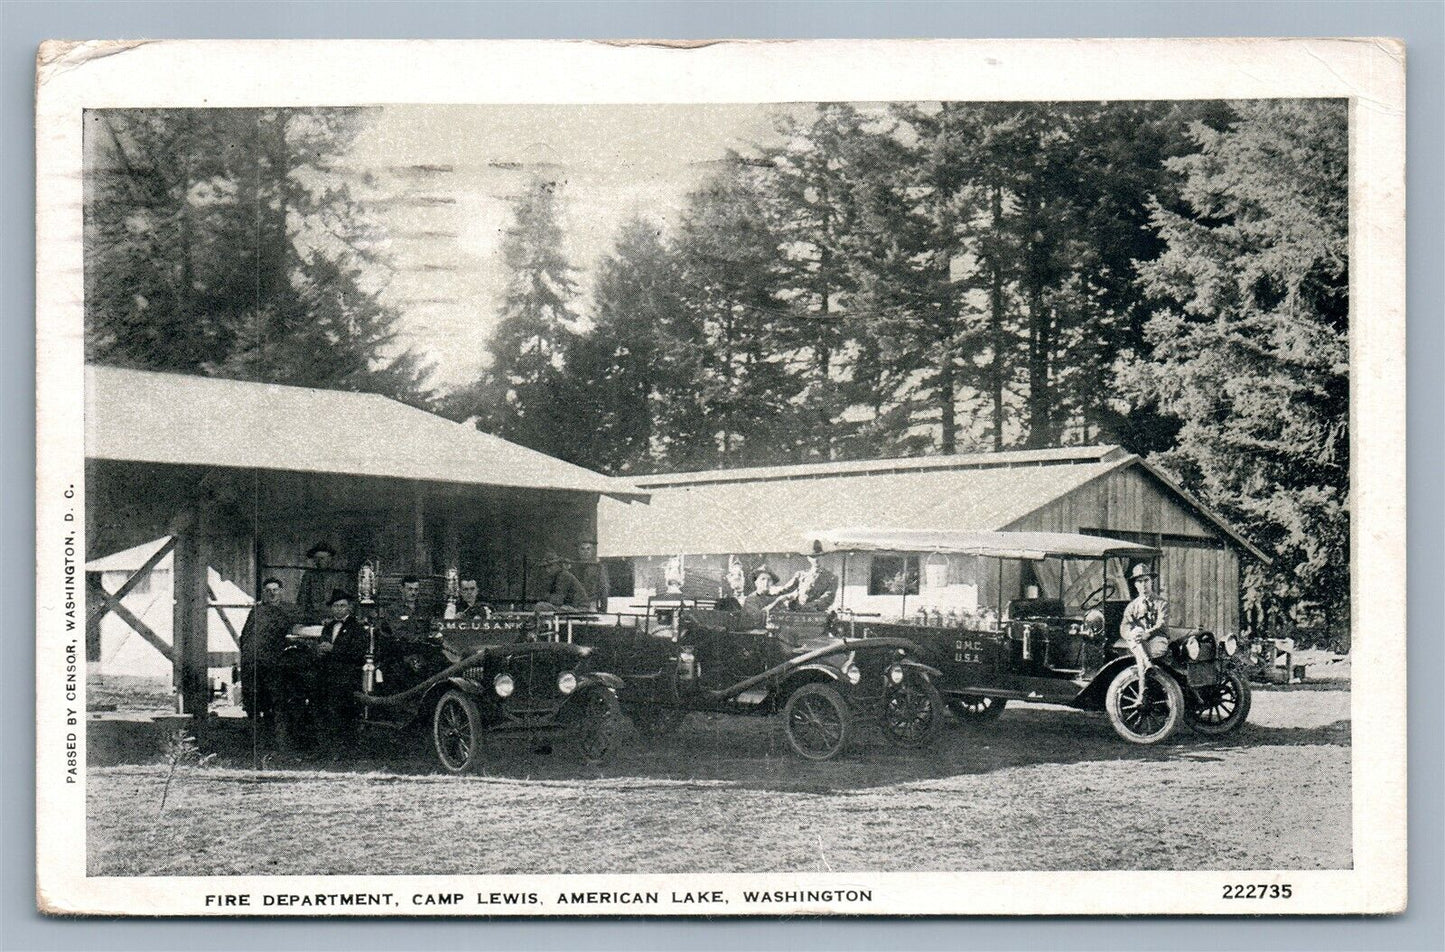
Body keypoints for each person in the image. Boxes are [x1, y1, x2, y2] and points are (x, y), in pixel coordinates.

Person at [237, 576, 295, 725]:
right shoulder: (257, 610)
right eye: (268, 591)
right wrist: (246, 651)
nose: (272, 594)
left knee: (272, 696)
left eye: (275, 590)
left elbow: (304, 619)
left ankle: (271, 726)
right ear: (264, 592)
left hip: (272, 659)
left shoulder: (289, 609)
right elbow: (245, 633)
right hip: (251, 659)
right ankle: (253, 724)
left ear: (281, 591)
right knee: (251, 695)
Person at [316, 589, 369, 721]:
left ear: (349, 607)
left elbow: (357, 653)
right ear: (331, 608)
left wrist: (334, 649)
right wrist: (320, 651)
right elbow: (322, 645)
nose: (339, 609)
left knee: (343, 717)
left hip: (347, 679)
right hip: (327, 677)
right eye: (336, 606)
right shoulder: (328, 627)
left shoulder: (356, 628)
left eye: (342, 605)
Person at [1120, 563, 1170, 680]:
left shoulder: (1161, 603)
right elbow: (1124, 627)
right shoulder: (1132, 606)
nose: (1143, 584)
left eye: (1146, 580)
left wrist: (1147, 633)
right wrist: (1132, 634)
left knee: (1138, 648)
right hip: (1138, 641)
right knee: (1136, 632)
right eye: (1140, 581)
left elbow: (1162, 624)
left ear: (1151, 581)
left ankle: (1143, 675)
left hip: (1157, 640)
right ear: (1135, 584)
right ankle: (1147, 665)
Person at [770, 541, 840, 612]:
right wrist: (770, 594)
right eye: (813, 557)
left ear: (822, 557)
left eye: (818, 556)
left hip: (817, 613)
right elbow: (787, 589)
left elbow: (828, 597)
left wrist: (810, 606)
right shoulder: (801, 574)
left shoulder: (831, 577)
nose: (816, 559)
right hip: (797, 611)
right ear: (808, 558)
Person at [296, 542, 343, 623]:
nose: (319, 561)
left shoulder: (337, 576)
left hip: (334, 618)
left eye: (322, 558)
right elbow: (302, 600)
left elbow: (345, 601)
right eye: (316, 559)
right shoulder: (309, 575)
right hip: (313, 618)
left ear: (329, 559)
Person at [572, 539, 611, 612]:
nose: (585, 552)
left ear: (592, 551)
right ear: (578, 551)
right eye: (582, 549)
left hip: (591, 604)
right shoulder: (573, 567)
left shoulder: (598, 567)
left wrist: (603, 609)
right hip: (575, 604)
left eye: (588, 549)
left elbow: (604, 588)